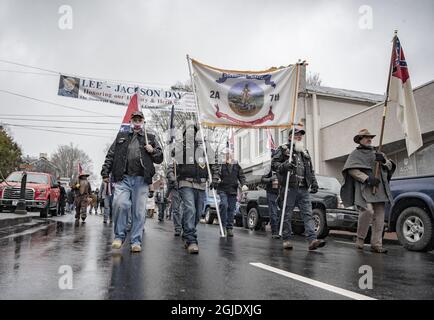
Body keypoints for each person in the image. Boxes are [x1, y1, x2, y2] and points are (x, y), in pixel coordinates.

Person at [101, 110, 163, 253]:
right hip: (123, 178)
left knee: (139, 211)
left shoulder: (151, 138)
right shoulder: (121, 136)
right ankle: (119, 237)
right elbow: (111, 155)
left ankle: (136, 241)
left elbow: (160, 158)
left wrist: (152, 150)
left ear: (143, 122)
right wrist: (105, 172)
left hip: (142, 179)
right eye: (134, 120)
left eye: (139, 120)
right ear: (131, 121)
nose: (137, 122)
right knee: (120, 204)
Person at [340, 129, 396, 253]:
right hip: (364, 188)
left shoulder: (378, 152)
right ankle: (360, 239)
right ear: (360, 140)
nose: (369, 139)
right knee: (367, 211)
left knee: (380, 218)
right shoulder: (355, 154)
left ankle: (376, 244)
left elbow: (389, 167)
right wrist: (367, 179)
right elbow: (351, 170)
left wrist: (384, 161)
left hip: (379, 188)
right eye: (366, 137)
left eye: (370, 137)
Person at [271, 128, 326, 251]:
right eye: (296, 134)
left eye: (300, 135)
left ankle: (312, 240)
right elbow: (274, 164)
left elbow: (310, 169)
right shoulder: (283, 149)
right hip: (289, 187)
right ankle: (286, 239)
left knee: (308, 214)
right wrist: (285, 165)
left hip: (303, 188)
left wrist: (314, 182)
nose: (299, 136)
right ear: (290, 136)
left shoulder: (304, 152)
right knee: (287, 214)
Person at [170, 122, 219, 254]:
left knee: (198, 213)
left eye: (194, 130)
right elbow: (172, 166)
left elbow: (213, 164)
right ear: (185, 133)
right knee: (190, 208)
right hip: (185, 183)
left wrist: (215, 177)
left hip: (201, 184)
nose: (191, 132)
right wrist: (172, 177)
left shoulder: (205, 148)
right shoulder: (180, 147)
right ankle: (192, 240)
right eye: (189, 130)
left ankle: (186, 230)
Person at [214, 148, 247, 237]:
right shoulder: (220, 165)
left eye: (229, 154)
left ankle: (229, 228)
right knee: (224, 205)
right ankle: (223, 227)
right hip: (223, 189)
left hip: (232, 190)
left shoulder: (236, 164)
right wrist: (216, 180)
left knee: (231, 210)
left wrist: (243, 184)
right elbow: (216, 173)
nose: (228, 155)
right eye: (226, 154)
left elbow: (241, 176)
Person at [261, 167, 280, 238]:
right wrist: (270, 179)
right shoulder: (269, 168)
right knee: (273, 212)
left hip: (282, 192)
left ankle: (281, 230)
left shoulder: (285, 165)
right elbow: (262, 179)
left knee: (284, 212)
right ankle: (275, 231)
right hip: (271, 192)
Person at [167, 163, 183, 236]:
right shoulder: (174, 162)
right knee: (176, 209)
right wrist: (173, 179)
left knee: (186, 208)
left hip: (186, 187)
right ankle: (178, 228)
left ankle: (185, 227)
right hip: (176, 188)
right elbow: (169, 171)